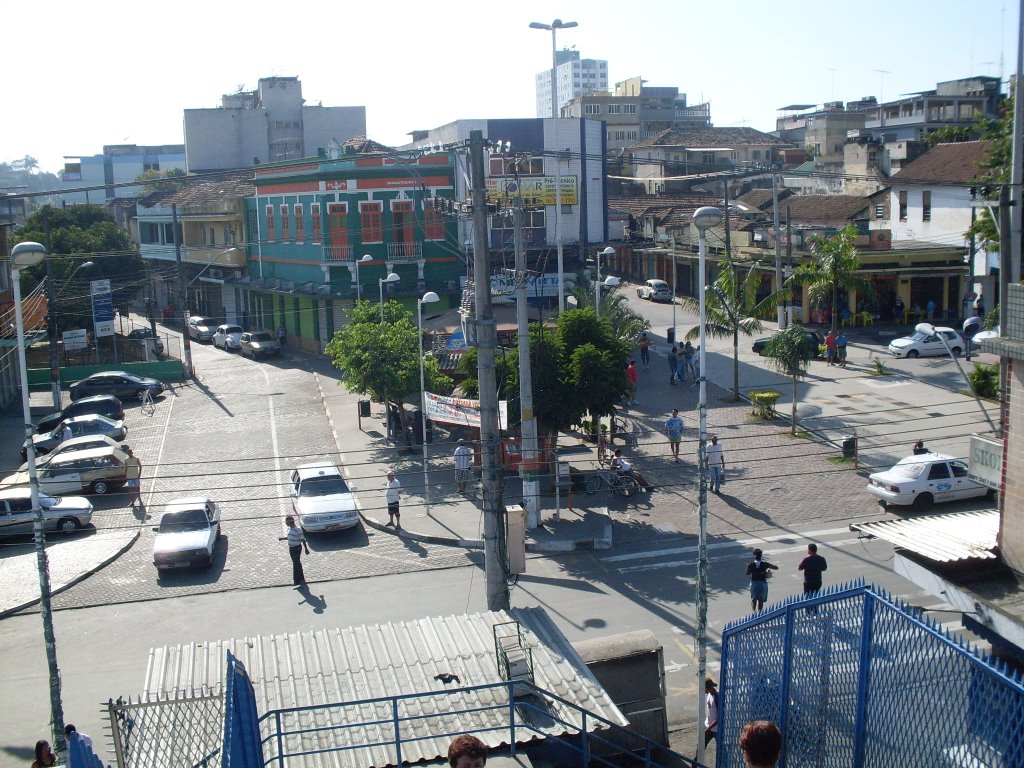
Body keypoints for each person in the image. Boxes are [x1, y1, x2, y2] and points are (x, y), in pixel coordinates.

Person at [278, 516, 309, 587]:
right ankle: (302, 580)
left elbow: (302, 540)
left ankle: (297, 581)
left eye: (286, 521)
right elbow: (290, 537)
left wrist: (306, 549)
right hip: (291, 548)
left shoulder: (298, 530)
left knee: (296, 564)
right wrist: (282, 538)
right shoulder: (290, 529)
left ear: (289, 522)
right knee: (297, 563)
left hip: (297, 548)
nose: (285, 523)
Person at [704, 678, 719, 748]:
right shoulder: (709, 694)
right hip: (709, 727)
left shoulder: (718, 698)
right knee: (700, 745)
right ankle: (696, 759)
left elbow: (719, 718)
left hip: (716, 729)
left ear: (708, 688)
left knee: (720, 748)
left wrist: (708, 728)